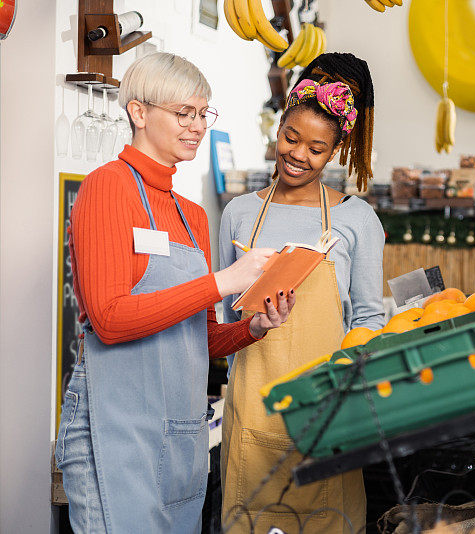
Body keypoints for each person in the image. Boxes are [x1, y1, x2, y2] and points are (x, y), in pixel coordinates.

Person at [55, 52, 295, 533]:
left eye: (203, 113)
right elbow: (110, 319)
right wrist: (223, 282)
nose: (197, 126)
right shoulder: (107, 188)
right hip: (115, 429)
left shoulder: (192, 215)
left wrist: (253, 327)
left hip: (178, 435)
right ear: (138, 112)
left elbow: (199, 339)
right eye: (183, 113)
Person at [219, 53, 385, 533]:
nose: (298, 154)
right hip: (252, 411)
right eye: (291, 138)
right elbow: (220, 316)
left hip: (326, 417)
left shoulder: (356, 219)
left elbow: (370, 321)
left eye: (316, 148)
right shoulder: (239, 214)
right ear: (278, 129)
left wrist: (345, 395)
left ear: (333, 153)